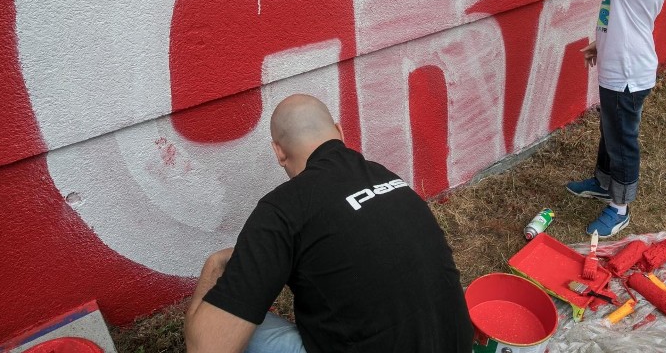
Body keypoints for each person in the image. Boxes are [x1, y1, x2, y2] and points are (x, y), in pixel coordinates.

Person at [185, 94, 473, 353]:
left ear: (279, 152)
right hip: (457, 343)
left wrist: (215, 265)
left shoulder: (282, 209)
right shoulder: (387, 178)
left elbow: (207, 349)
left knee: (236, 323)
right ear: (339, 132)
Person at [494, 0, 666, 237]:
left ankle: (620, 207)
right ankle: (603, 181)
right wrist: (601, 42)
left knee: (622, 139)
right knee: (610, 129)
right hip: (618, 65)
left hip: (629, 73)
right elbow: (625, 11)